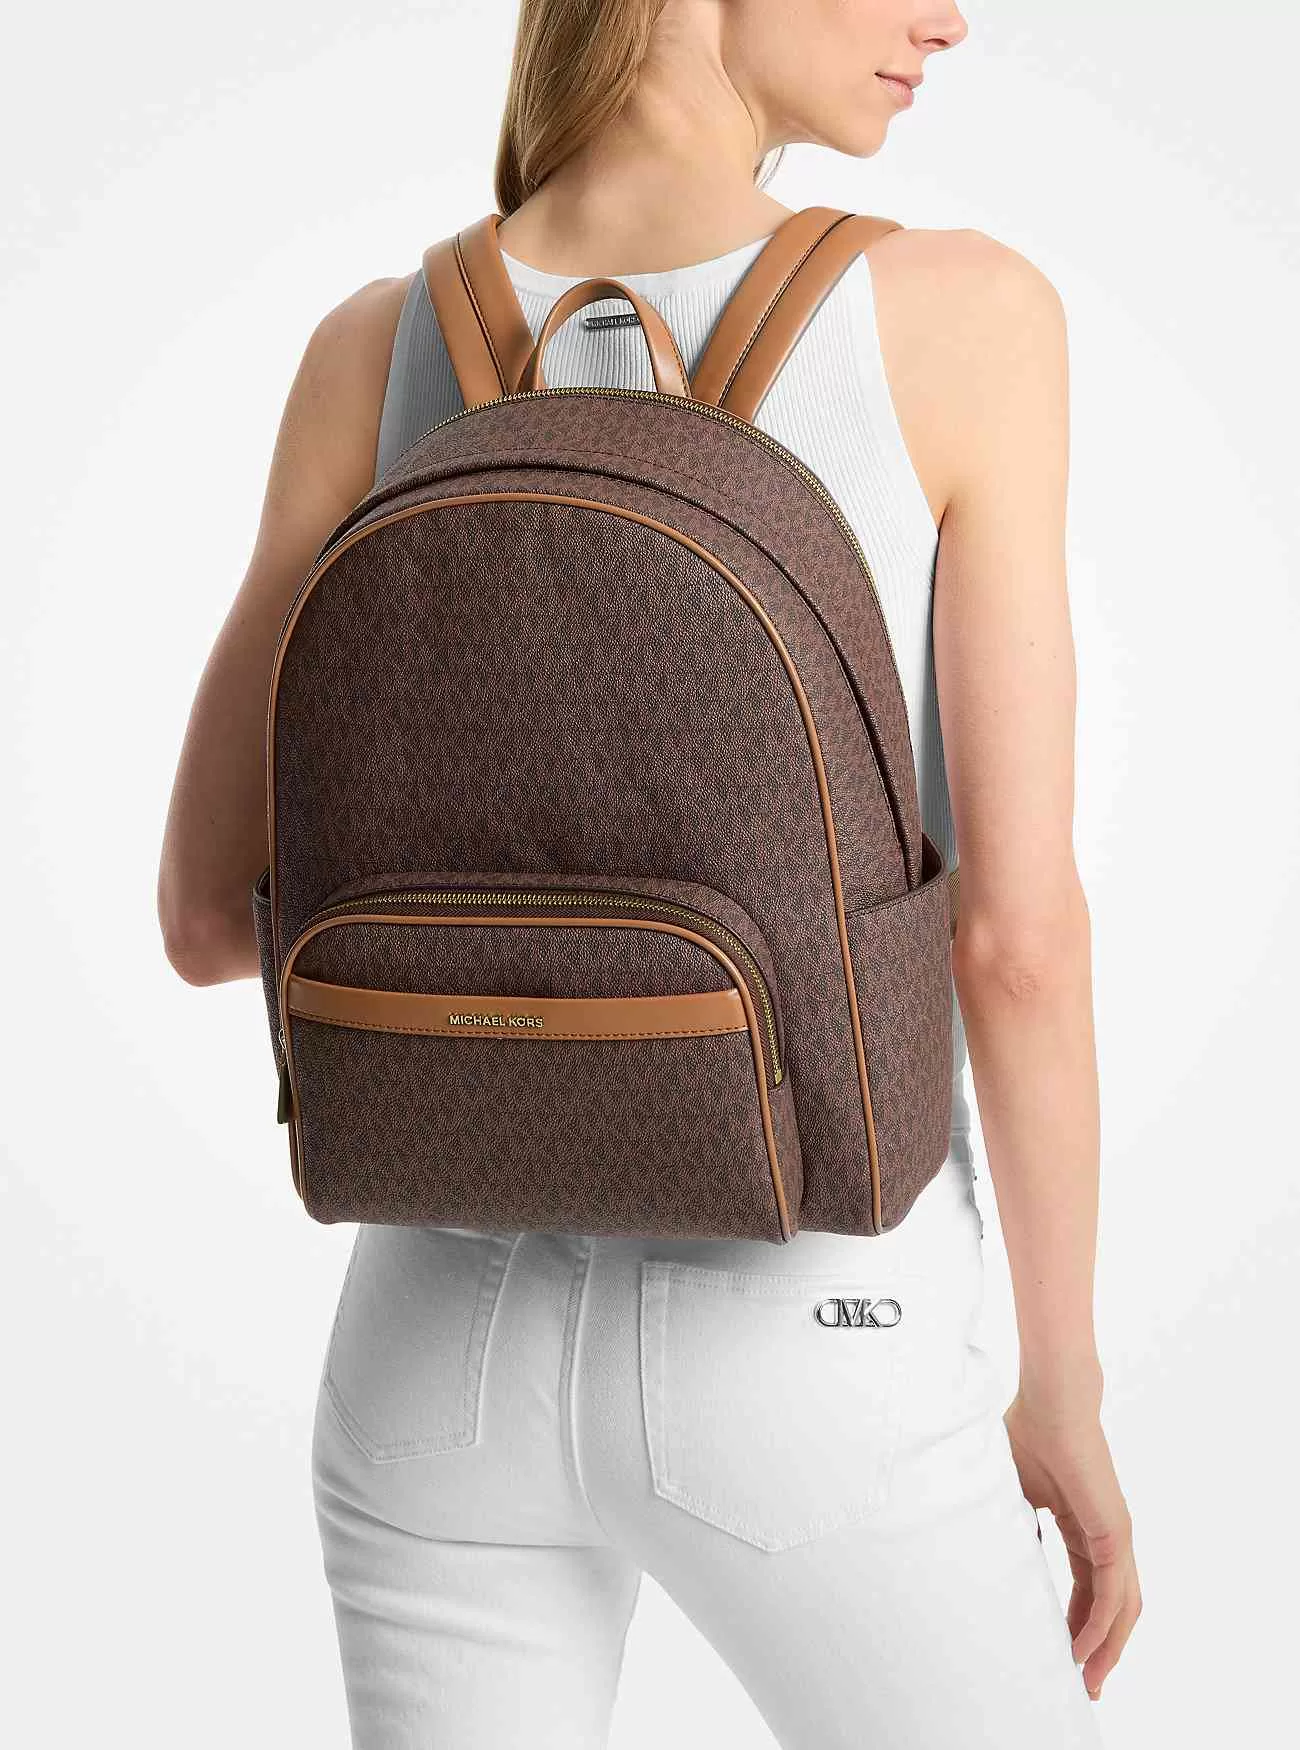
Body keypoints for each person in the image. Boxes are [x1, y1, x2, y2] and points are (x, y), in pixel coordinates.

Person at [157, 0, 1142, 1742]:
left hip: (428, 1351)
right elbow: (1013, 943)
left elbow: (201, 911)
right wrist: (1059, 1381)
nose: (949, 18)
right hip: (814, 1338)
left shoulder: (375, 345)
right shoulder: (962, 316)